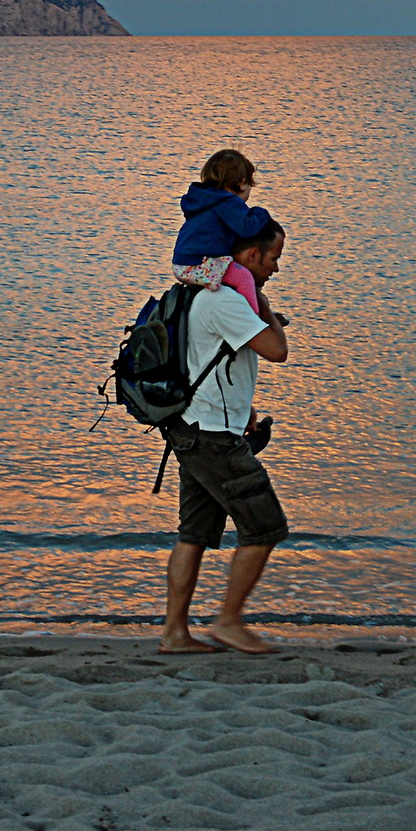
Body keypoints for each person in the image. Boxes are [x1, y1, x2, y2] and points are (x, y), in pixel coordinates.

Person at [159, 219, 291, 656]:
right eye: (273, 258)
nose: (275, 267)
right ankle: (228, 621)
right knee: (265, 525)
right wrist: (266, 309)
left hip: (196, 429)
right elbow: (277, 351)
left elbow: (213, 362)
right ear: (251, 255)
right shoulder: (227, 301)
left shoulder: (207, 295)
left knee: (194, 534)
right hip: (213, 439)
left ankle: (175, 635)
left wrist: (243, 410)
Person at [172, 150, 275, 307]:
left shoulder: (203, 200)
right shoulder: (227, 201)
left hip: (182, 263)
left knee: (235, 270)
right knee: (243, 277)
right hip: (197, 264)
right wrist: (261, 213)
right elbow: (247, 228)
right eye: (249, 186)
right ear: (241, 182)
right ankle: (253, 318)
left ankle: (253, 305)